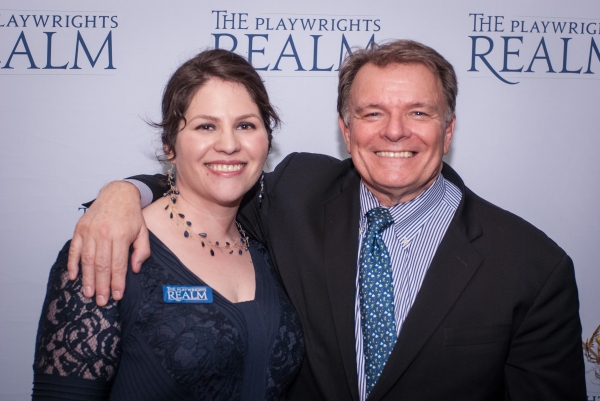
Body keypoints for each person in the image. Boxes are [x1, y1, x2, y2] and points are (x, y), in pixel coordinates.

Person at [66, 40, 586, 400]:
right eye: (372, 112)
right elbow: (213, 177)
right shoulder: (298, 192)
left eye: (420, 113)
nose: (395, 132)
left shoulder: (533, 267)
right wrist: (124, 193)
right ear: (345, 127)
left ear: (448, 130)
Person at [32, 49, 305, 400]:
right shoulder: (108, 249)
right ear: (169, 147)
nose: (229, 144)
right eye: (206, 126)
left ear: (266, 141)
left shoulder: (270, 241)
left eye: (245, 125)